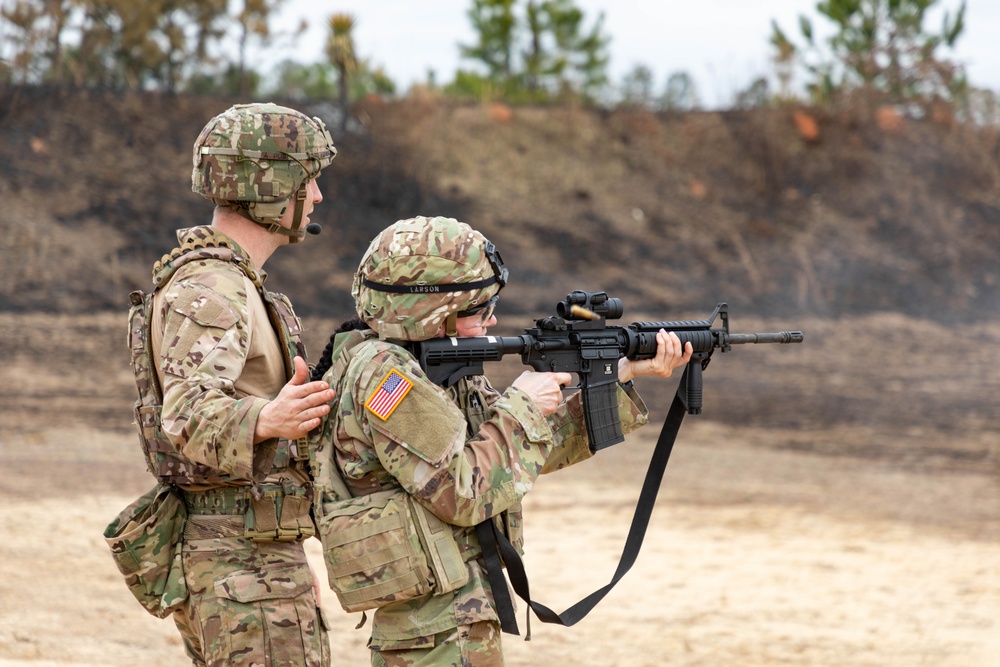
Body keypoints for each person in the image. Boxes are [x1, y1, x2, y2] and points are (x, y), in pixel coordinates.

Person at [307, 216, 692, 666]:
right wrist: (522, 404)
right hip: (433, 632)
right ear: (433, 311)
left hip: (453, 617)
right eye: (479, 311)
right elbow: (463, 491)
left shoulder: (433, 370)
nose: (492, 322)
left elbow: (513, 455)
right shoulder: (387, 377)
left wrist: (619, 375)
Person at [130, 102, 338, 666]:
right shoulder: (214, 291)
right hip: (240, 564)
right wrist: (269, 420)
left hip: (255, 554)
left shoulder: (232, 284)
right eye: (307, 180)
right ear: (269, 188)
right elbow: (188, 413)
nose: (317, 196)